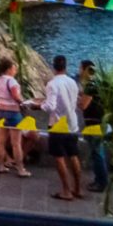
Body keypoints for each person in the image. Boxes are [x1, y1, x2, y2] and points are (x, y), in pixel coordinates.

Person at [41, 54, 85, 201]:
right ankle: (78, 188)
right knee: (73, 155)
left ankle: (66, 190)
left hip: (57, 125)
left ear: (54, 67)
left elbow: (50, 106)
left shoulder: (52, 84)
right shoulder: (73, 83)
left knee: (59, 157)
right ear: (65, 66)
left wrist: (38, 105)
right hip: (72, 123)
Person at [0, 57, 30, 176]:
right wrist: (24, 103)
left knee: (0, 141)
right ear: (8, 69)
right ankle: (20, 169)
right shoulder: (11, 81)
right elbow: (16, 97)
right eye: (14, 68)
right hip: (13, 112)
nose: (15, 70)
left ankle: (1, 166)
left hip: (0, 111)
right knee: (16, 143)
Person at [79, 60, 109, 192]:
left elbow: (84, 105)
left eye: (80, 68)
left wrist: (79, 99)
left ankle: (101, 182)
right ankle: (100, 179)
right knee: (98, 152)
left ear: (86, 70)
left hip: (94, 124)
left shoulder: (90, 85)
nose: (79, 71)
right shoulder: (99, 83)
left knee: (97, 153)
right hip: (100, 121)